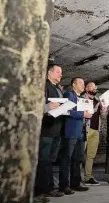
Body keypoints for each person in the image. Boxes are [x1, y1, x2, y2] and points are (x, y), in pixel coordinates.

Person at [34, 64, 65, 203]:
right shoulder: (43, 86)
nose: (61, 75)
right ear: (49, 73)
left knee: (50, 161)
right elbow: (34, 105)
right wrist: (47, 107)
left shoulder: (58, 88)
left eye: (61, 73)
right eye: (58, 72)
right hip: (46, 130)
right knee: (42, 161)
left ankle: (48, 188)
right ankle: (37, 192)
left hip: (56, 130)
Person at [59, 77, 91, 194]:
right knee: (66, 159)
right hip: (71, 132)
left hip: (81, 133)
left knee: (78, 159)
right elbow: (67, 111)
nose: (83, 85)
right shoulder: (69, 94)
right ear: (73, 85)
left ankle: (75, 184)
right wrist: (84, 114)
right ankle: (63, 186)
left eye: (84, 83)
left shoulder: (82, 98)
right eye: (81, 83)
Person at [83, 82, 107, 186]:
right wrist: (94, 110)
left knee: (91, 155)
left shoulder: (98, 100)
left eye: (95, 87)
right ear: (87, 88)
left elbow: (102, 115)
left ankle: (88, 177)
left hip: (95, 130)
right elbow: (83, 114)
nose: (94, 88)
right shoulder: (82, 98)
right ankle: (76, 176)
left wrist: (103, 112)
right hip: (85, 130)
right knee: (79, 154)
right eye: (92, 87)